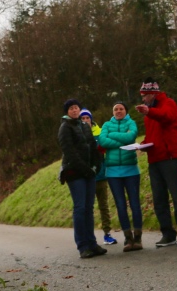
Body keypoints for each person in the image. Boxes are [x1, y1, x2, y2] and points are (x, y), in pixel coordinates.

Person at [135, 77, 177, 247]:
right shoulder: (149, 113)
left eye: (145, 95)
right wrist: (142, 145)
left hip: (169, 157)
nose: (143, 99)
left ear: (153, 93)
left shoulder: (168, 103)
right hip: (154, 159)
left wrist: (149, 111)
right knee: (159, 198)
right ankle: (167, 233)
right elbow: (151, 135)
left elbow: (167, 117)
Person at [58, 99, 106, 258]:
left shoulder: (85, 126)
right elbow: (70, 152)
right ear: (67, 111)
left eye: (76, 108)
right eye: (71, 108)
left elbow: (93, 146)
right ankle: (83, 246)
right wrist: (86, 169)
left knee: (89, 208)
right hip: (75, 173)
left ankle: (92, 243)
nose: (74, 110)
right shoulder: (65, 128)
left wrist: (97, 164)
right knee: (80, 208)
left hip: (89, 172)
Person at [98, 102, 144, 251]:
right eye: (115, 109)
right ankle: (128, 238)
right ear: (113, 112)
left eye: (121, 109)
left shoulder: (131, 122)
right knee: (120, 205)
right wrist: (122, 139)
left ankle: (138, 237)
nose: (118, 111)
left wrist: (113, 136)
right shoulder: (106, 125)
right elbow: (102, 141)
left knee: (135, 204)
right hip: (112, 172)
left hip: (131, 170)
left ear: (125, 110)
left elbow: (131, 137)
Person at [80, 109, 117, 245]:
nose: (85, 121)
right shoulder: (77, 135)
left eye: (87, 118)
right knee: (86, 208)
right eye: (82, 118)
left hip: (100, 175)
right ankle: (87, 237)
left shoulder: (100, 132)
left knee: (104, 206)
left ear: (91, 119)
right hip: (85, 177)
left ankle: (107, 233)